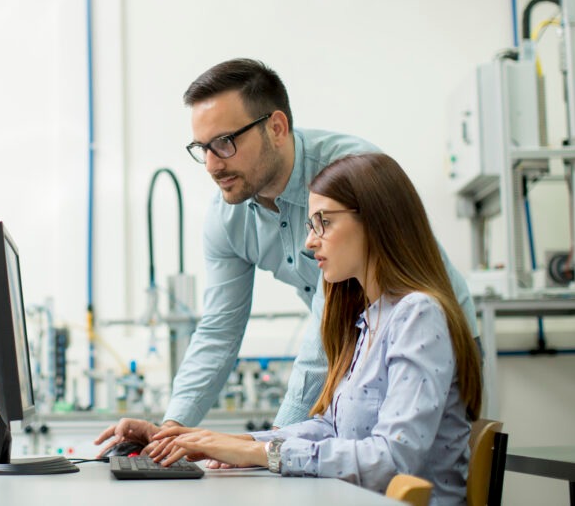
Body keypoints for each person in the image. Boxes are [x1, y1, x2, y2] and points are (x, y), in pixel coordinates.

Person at [95, 58, 478, 447]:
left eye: (225, 143)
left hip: (434, 341)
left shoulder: (349, 173)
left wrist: (272, 447)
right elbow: (219, 329)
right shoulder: (227, 215)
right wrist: (171, 428)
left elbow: (326, 319)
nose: (211, 164)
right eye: (202, 148)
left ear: (276, 127)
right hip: (357, 353)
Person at [114, 153, 483, 506]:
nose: (310, 241)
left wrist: (259, 452)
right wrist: (219, 441)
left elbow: (390, 459)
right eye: (310, 224)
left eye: (324, 221)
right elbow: (330, 429)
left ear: (376, 220)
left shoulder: (418, 315)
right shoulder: (371, 319)